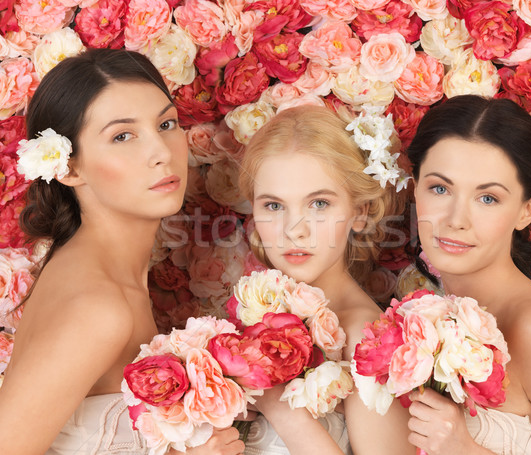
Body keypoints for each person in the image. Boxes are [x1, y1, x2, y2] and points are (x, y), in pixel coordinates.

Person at [0, 48, 245, 455]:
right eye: (122, 136)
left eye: (166, 124)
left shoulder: (102, 272)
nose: (162, 152)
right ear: (68, 168)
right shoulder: (99, 308)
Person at [405, 95, 531, 454]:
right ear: (415, 187)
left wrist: (462, 448)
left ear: (527, 210)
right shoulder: (422, 314)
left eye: (488, 198)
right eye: (440, 188)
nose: (455, 219)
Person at [237, 105, 415, 455]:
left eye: (319, 203)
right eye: (273, 206)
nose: (294, 230)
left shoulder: (367, 338)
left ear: (359, 213)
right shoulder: (251, 314)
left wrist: (279, 408)